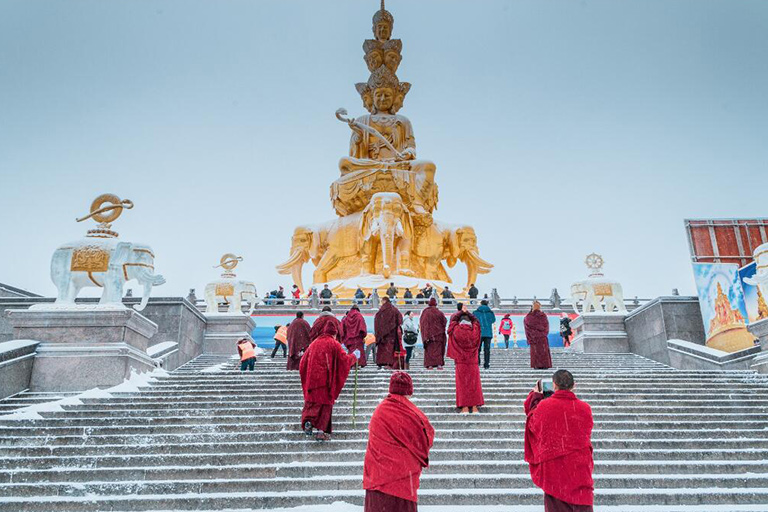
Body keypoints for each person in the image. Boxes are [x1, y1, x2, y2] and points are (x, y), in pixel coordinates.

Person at [363, 372, 435, 512]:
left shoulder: (380, 411)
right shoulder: (413, 414)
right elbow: (426, 438)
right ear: (409, 390)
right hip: (403, 481)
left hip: (378, 478)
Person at [525, 370, 594, 511]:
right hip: (579, 469)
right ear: (574, 385)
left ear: (554, 385)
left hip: (555, 471)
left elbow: (532, 425)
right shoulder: (585, 408)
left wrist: (535, 398)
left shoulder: (544, 406)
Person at [300, 319, 360, 441]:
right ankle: (321, 432)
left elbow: (302, 363)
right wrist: (354, 356)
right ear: (334, 333)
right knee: (324, 406)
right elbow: (344, 361)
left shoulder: (314, 343)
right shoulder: (334, 344)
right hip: (325, 382)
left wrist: (307, 378)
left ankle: (309, 421)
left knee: (311, 403)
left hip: (312, 381)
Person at [447, 307, 484, 413]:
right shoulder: (475, 330)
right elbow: (476, 321)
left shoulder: (456, 329)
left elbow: (453, 320)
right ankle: (475, 406)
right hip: (472, 361)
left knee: (462, 384)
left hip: (461, 361)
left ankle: (464, 406)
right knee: (474, 383)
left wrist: (460, 313)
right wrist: (468, 313)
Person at [374, 296, 404, 369]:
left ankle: (381, 363)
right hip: (391, 335)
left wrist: (379, 333)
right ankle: (388, 363)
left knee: (382, 350)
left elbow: (377, 322)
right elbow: (400, 320)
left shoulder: (380, 311)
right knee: (389, 350)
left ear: (384, 301)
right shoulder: (394, 310)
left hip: (382, 335)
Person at [420, 297, 446, 369]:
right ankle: (438, 364)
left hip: (429, 336)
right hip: (438, 335)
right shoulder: (439, 312)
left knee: (429, 351)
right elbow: (444, 322)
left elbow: (423, 323)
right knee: (438, 350)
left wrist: (425, 334)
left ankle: (430, 364)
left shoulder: (426, 312)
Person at [525, 301, 552, 369]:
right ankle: (544, 365)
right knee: (543, 352)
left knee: (536, 353)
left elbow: (527, 329)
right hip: (542, 338)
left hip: (534, 339)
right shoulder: (543, 316)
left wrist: (531, 337)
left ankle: (536, 365)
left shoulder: (528, 317)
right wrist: (542, 334)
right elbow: (546, 328)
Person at [474, 299, 496, 370]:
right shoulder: (490, 312)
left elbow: (473, 321)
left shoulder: (476, 312)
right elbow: (493, 320)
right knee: (487, 349)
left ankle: (477, 362)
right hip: (488, 333)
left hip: (478, 333)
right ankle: (486, 364)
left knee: (478, 349)